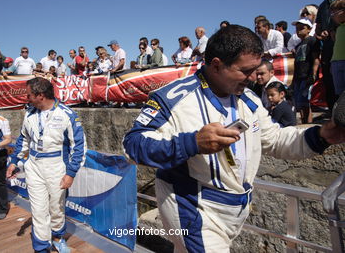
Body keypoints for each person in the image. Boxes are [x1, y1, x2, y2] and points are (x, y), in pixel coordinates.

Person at [123, 24, 345, 252]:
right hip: (194, 210)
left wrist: (322, 135)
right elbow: (132, 146)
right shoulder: (172, 98)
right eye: (245, 71)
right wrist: (193, 143)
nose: (252, 78)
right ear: (217, 65)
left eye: (255, 69)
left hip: (236, 211)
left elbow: (276, 139)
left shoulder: (248, 98)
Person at [7, 78, 87, 253]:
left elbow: (79, 146)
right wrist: (14, 161)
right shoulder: (29, 113)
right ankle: (41, 248)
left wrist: (71, 173)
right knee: (38, 210)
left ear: (40, 95)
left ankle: (57, 238)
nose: (26, 98)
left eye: (29, 95)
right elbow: (23, 140)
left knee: (56, 208)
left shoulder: (67, 114)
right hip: (34, 167)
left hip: (56, 167)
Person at [316, 0, 344, 111]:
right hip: (329, 47)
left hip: (339, 41)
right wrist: (321, 32)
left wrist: (334, 29)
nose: (334, 14)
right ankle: (334, 112)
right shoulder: (323, 5)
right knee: (329, 78)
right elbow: (319, 25)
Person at [292, 18, 320, 124]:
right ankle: (304, 122)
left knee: (306, 101)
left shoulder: (312, 41)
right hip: (298, 76)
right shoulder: (298, 45)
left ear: (309, 29)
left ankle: (308, 123)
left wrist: (313, 73)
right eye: (297, 29)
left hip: (307, 75)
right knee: (299, 102)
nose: (299, 31)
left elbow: (316, 58)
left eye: (302, 28)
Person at [330, 0, 345, 96]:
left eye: (334, 13)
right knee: (340, 93)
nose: (333, 16)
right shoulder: (339, 29)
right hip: (336, 62)